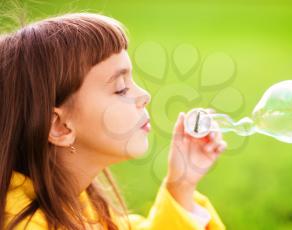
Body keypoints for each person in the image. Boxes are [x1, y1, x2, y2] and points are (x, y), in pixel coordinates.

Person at [0, 12, 227, 229]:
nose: (144, 96)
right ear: (59, 127)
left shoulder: (81, 206)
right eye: (120, 89)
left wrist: (181, 186)